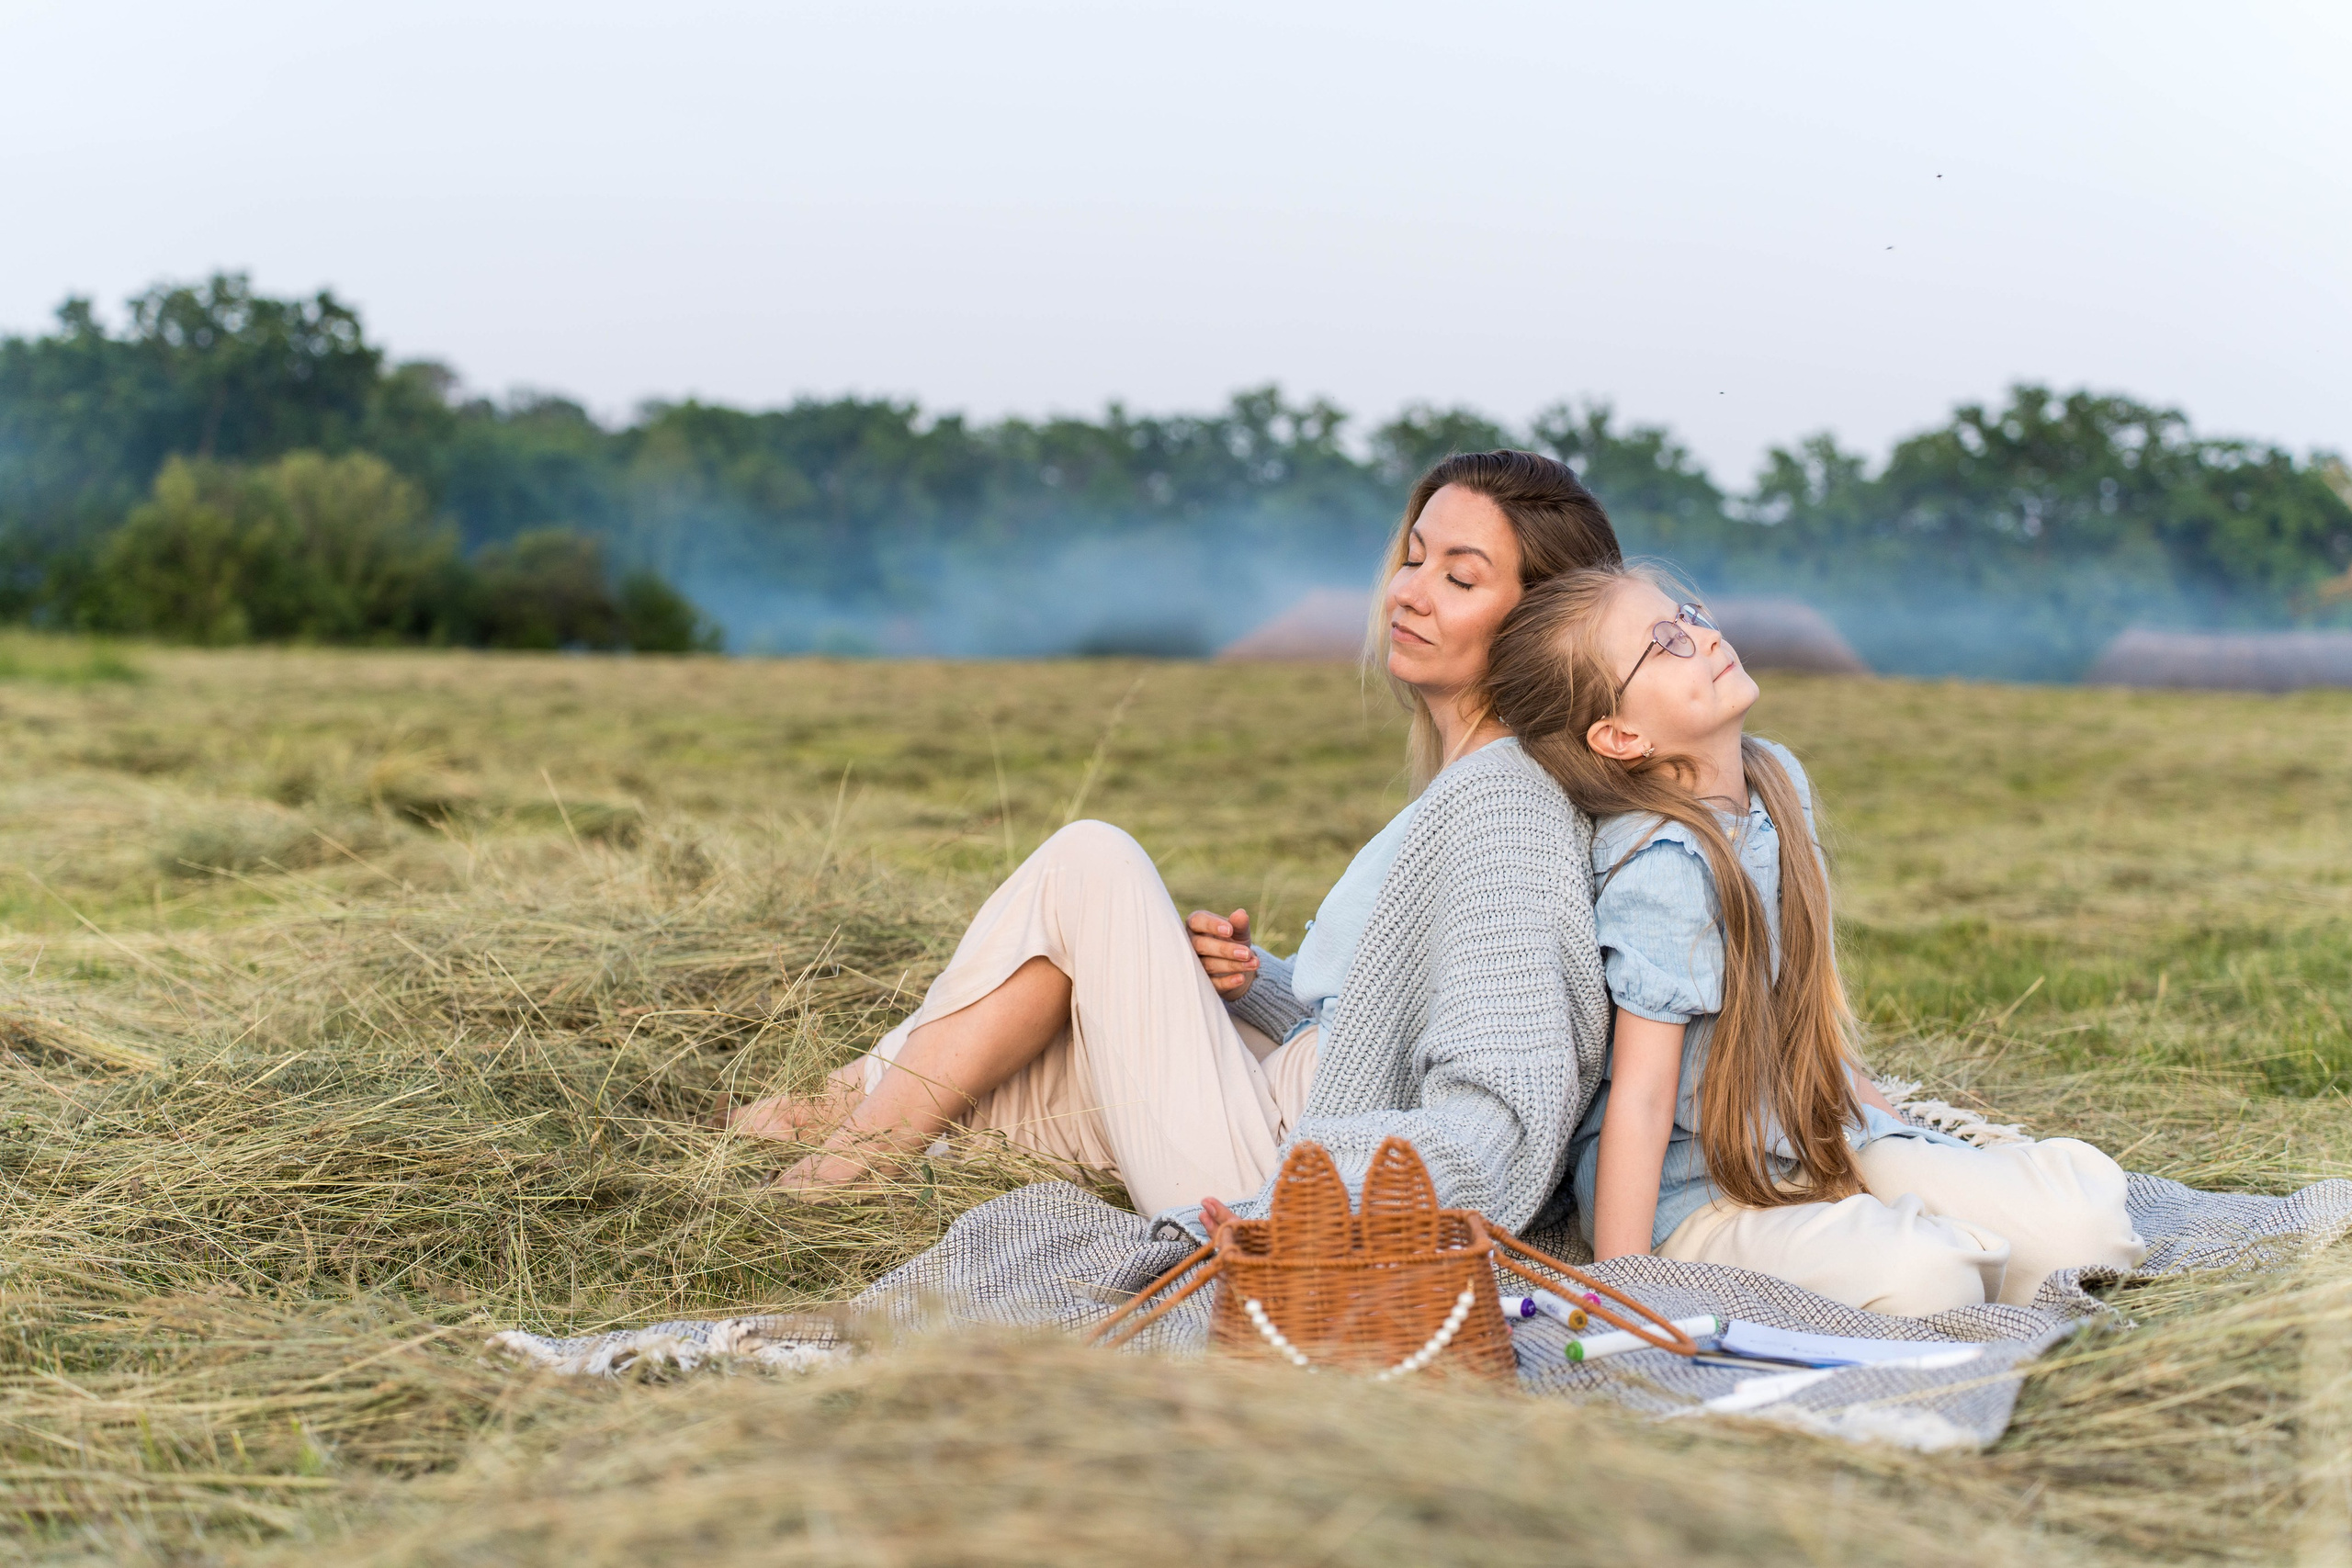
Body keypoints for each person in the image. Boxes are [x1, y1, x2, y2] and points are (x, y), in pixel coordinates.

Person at [724, 451, 1620, 1235]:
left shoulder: (1507, 803)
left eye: (1459, 579)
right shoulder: (1466, 789)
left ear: (1540, 626)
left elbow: (1501, 1110)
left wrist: (1312, 1215)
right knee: (994, 1061)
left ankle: (846, 1162)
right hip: (1282, 1115)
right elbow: (1371, 1029)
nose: (1408, 591)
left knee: (1091, 862)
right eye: (1414, 558)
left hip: (1285, 1176)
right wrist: (1256, 982)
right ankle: (832, 1123)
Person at [1480, 564, 2148, 1314]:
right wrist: (1625, 1284)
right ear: (1621, 735)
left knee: (2085, 1236)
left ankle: (1908, 1224)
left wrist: (1893, 1137)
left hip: (1818, 1137)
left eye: (1689, 613)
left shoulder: (1775, 781)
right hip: (1704, 1192)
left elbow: (1804, 1004)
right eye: (1665, 642)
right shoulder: (1662, 865)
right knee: (1933, 1281)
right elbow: (1642, 1095)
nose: (1703, 635)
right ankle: (1909, 1247)